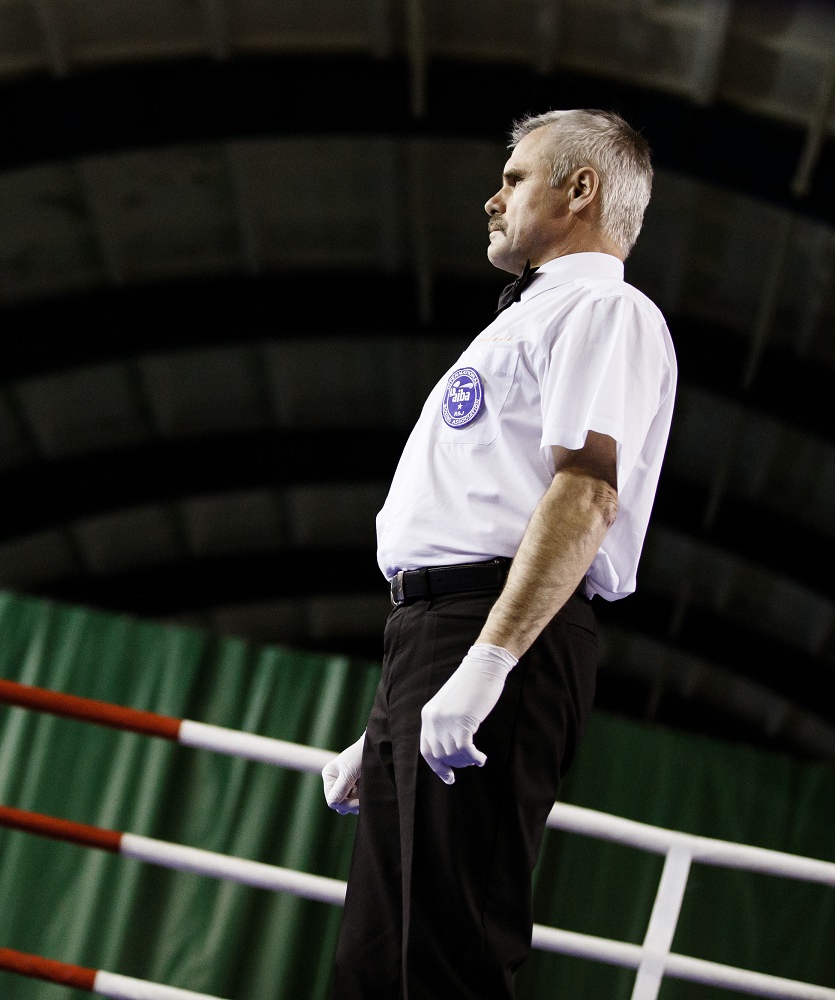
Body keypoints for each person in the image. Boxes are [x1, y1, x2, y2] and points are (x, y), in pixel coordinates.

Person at [321, 109, 677, 998]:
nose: (494, 196)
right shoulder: (530, 316)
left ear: (579, 189)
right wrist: (393, 716)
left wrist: (487, 664)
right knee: (376, 963)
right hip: (435, 636)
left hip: (500, 630)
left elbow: (586, 491)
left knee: (449, 962)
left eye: (515, 177)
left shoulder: (605, 308)